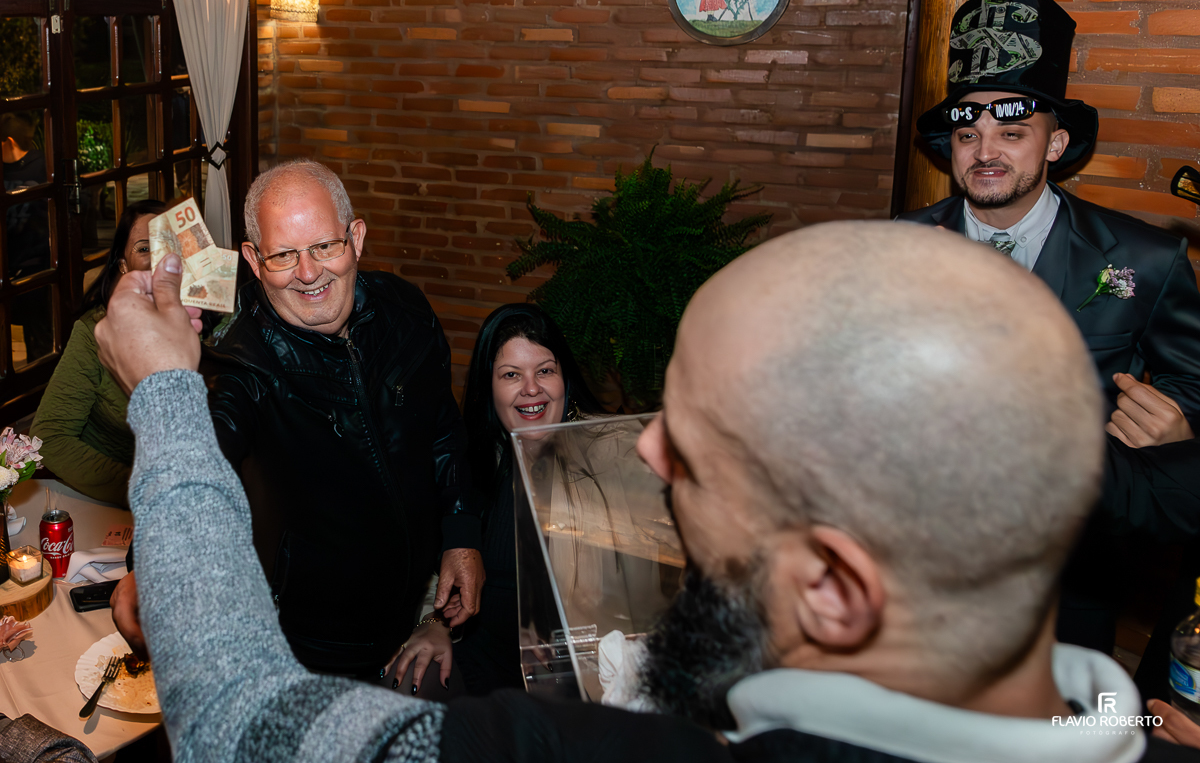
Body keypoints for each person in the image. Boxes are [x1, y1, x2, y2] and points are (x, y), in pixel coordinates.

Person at [97, 221, 1197, 763]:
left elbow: (240, 719)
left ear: (834, 584)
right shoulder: (1132, 719)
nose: (653, 455)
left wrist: (165, 395)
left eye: (704, 445)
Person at [897, 0, 1200, 653]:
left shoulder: (1145, 260)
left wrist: (1177, 423)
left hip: (1073, 566)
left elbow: (1193, 379)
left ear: (1056, 142)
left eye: (1011, 132)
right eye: (968, 133)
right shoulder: (897, 248)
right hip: (920, 555)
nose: (985, 152)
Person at [111, 160, 483, 683]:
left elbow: (442, 428)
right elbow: (201, 451)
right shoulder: (238, 363)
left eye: (324, 247)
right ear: (254, 260)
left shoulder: (406, 310)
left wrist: (461, 533)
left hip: (410, 623)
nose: (308, 274)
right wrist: (151, 563)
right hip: (308, 654)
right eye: (284, 255)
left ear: (355, 238)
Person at [455, 303, 604, 694]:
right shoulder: (465, 462)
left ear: (564, 378)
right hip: (480, 661)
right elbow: (436, 571)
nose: (532, 388)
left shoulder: (605, 461)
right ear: (489, 387)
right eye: (511, 375)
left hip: (573, 674)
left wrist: (572, 645)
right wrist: (432, 627)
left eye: (545, 371)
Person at [31, 200, 166, 505]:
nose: (159, 258)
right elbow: (49, 438)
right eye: (144, 248)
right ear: (123, 265)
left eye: (168, 244)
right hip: (109, 497)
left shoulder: (216, 329)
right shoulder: (95, 332)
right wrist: (143, 491)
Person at [2, 112, 51, 363]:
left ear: (9, 142)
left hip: (34, 263)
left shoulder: (42, 165)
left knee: (39, 337)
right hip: (5, 263)